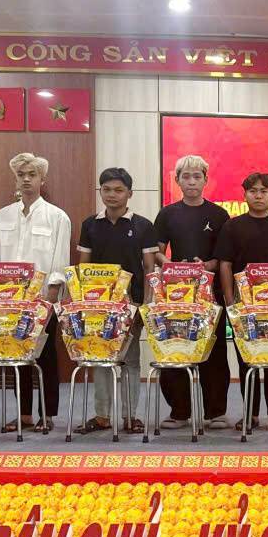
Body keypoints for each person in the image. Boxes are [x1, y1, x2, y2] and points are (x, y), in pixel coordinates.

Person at [0, 153, 72, 433]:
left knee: (46, 355)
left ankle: (47, 414)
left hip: (43, 299)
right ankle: (24, 414)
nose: (26, 180)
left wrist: (50, 297)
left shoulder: (57, 217)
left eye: (32, 175)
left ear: (42, 179)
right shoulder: (3, 215)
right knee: (17, 356)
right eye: (21, 175)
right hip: (10, 299)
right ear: (15, 179)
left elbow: (60, 263)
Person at [77, 167, 158, 435]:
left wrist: (145, 305)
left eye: (118, 190)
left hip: (132, 305)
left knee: (131, 361)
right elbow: (83, 267)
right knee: (102, 359)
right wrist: (84, 303)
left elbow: (149, 268)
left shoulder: (143, 225)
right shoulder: (90, 224)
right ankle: (102, 416)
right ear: (100, 191)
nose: (112, 195)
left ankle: (130, 417)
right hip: (98, 306)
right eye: (107, 189)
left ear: (129, 194)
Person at [153, 154, 231, 430]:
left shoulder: (219, 215)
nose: (191, 182)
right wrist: (174, 266)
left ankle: (215, 412)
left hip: (210, 295)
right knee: (175, 349)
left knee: (215, 352)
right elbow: (157, 253)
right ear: (177, 180)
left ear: (206, 180)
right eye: (185, 176)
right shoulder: (167, 214)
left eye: (197, 176)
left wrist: (205, 266)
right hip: (176, 294)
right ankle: (179, 412)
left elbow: (224, 257)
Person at [216, 172, 268, 431]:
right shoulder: (232, 226)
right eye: (253, 191)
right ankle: (250, 413)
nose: (258, 196)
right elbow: (225, 264)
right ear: (245, 195)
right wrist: (230, 301)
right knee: (246, 360)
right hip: (244, 306)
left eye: (264, 191)